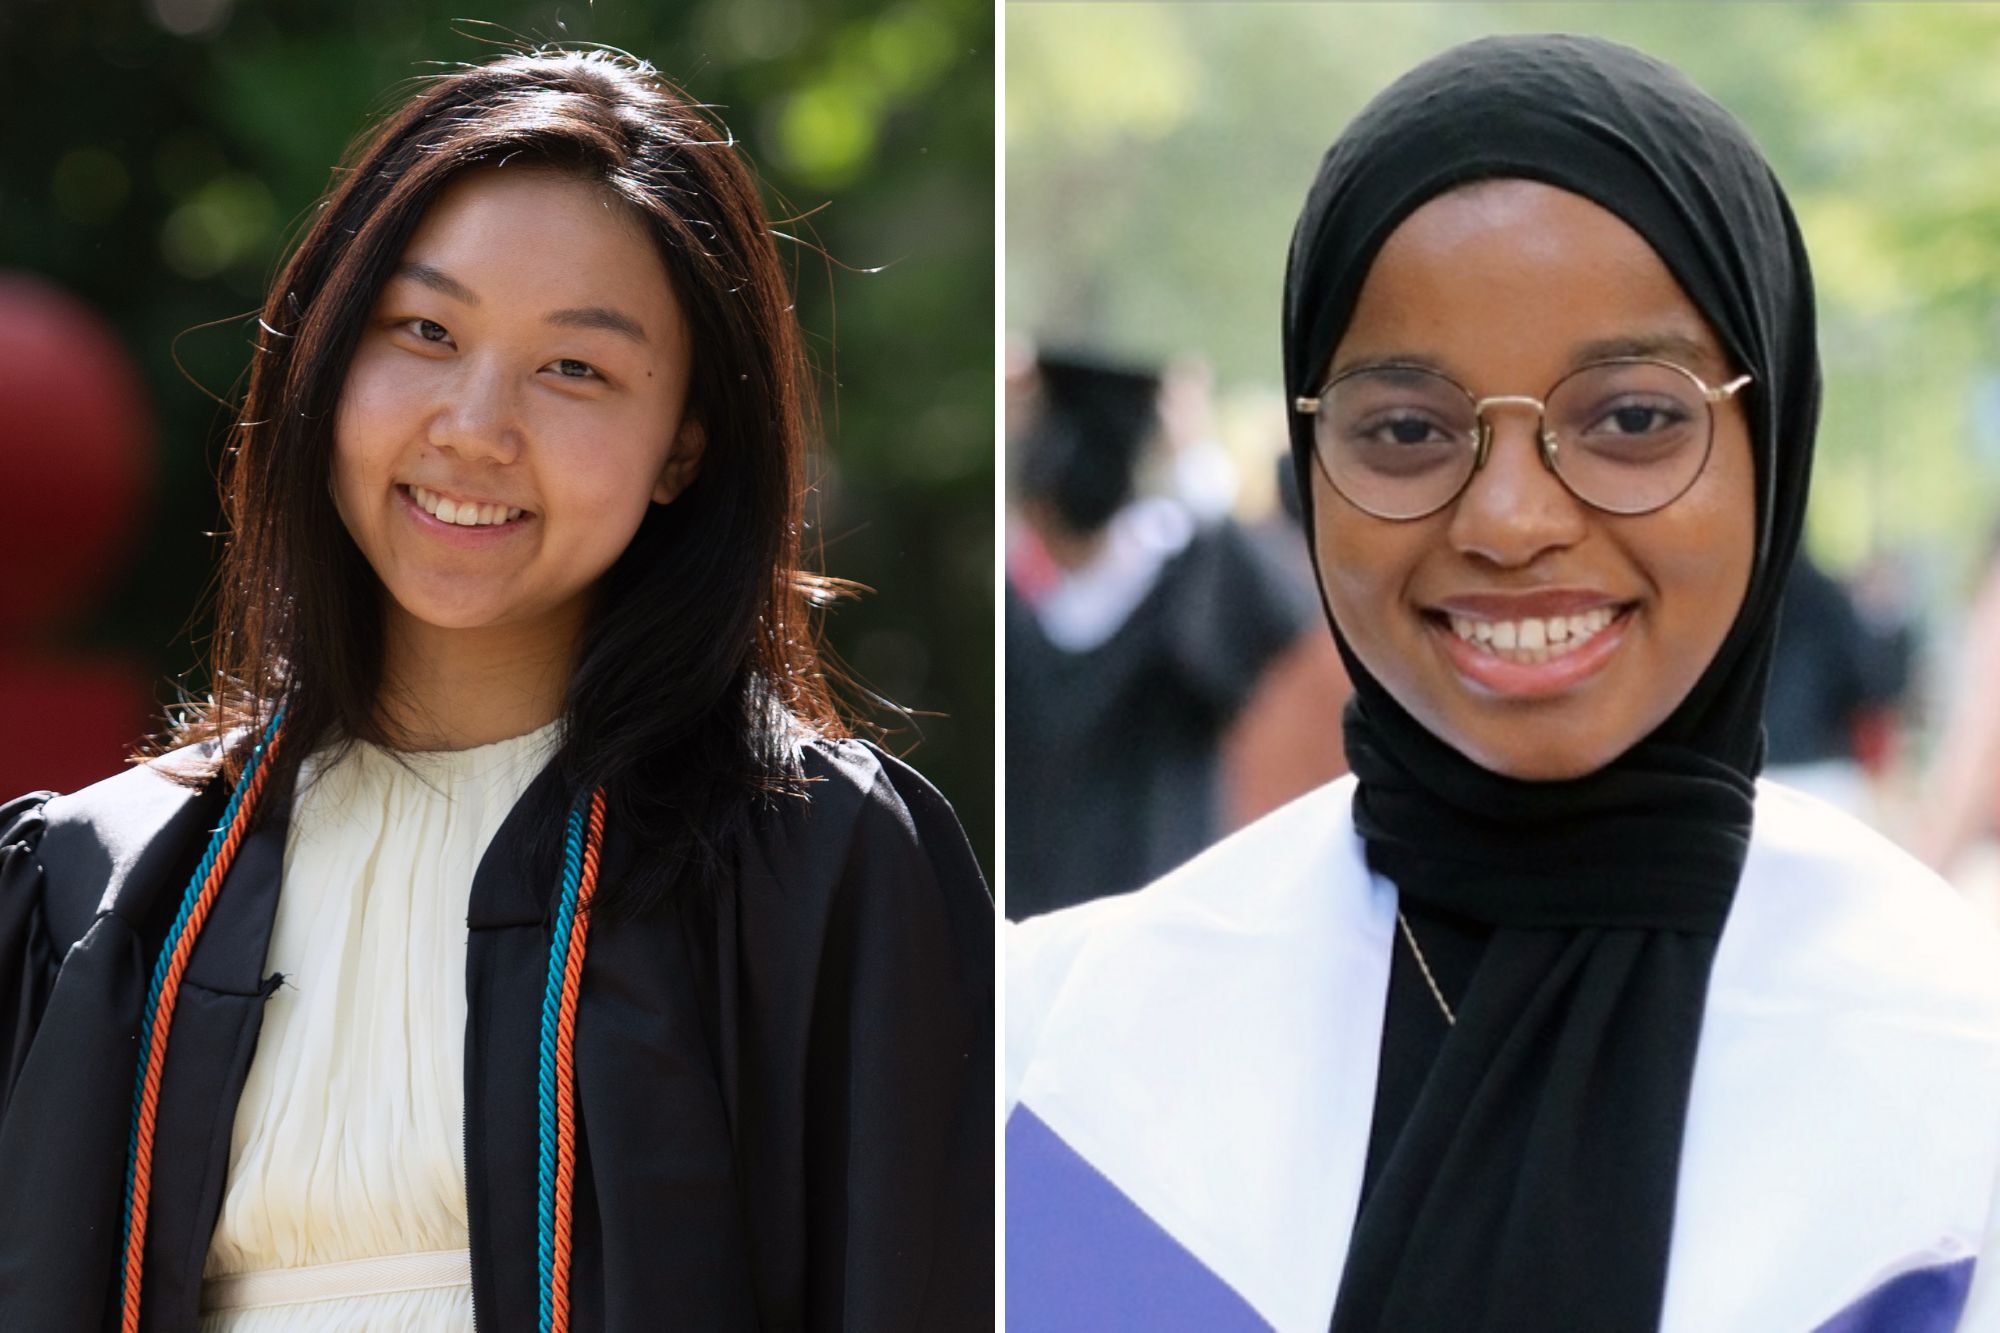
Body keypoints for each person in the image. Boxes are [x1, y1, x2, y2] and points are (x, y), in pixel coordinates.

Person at [1006, 34, 2000, 1333]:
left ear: (1776, 443)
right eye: (1408, 430)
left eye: (1634, 417)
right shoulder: (1055, 1054)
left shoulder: (1953, 1076)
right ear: (1313, 461)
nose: (1512, 517)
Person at [0, 48, 991, 1331]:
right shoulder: (109, 885)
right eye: (424, 331)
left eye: (574, 368)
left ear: (685, 442)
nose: (474, 425)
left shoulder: (808, 867)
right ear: (324, 360)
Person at [1006, 351, 1308, 918]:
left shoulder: (1021, 618)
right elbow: (1278, 603)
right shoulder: (1187, 598)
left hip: (1094, 931)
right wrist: (1194, 455)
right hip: (1154, 926)